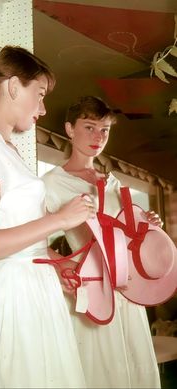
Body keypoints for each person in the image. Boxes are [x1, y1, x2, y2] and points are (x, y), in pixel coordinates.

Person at [0, 46, 97, 388]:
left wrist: (57, 262)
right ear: (13, 87)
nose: (42, 109)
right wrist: (58, 220)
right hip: (11, 299)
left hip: (32, 289)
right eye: (39, 95)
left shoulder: (5, 150)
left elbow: (15, 232)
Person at [42, 96, 162, 388]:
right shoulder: (51, 183)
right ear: (70, 129)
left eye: (105, 129)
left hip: (127, 291)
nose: (98, 137)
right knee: (99, 372)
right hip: (92, 288)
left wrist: (147, 225)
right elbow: (36, 241)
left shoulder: (114, 184)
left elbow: (128, 238)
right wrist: (65, 268)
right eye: (90, 127)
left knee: (133, 370)